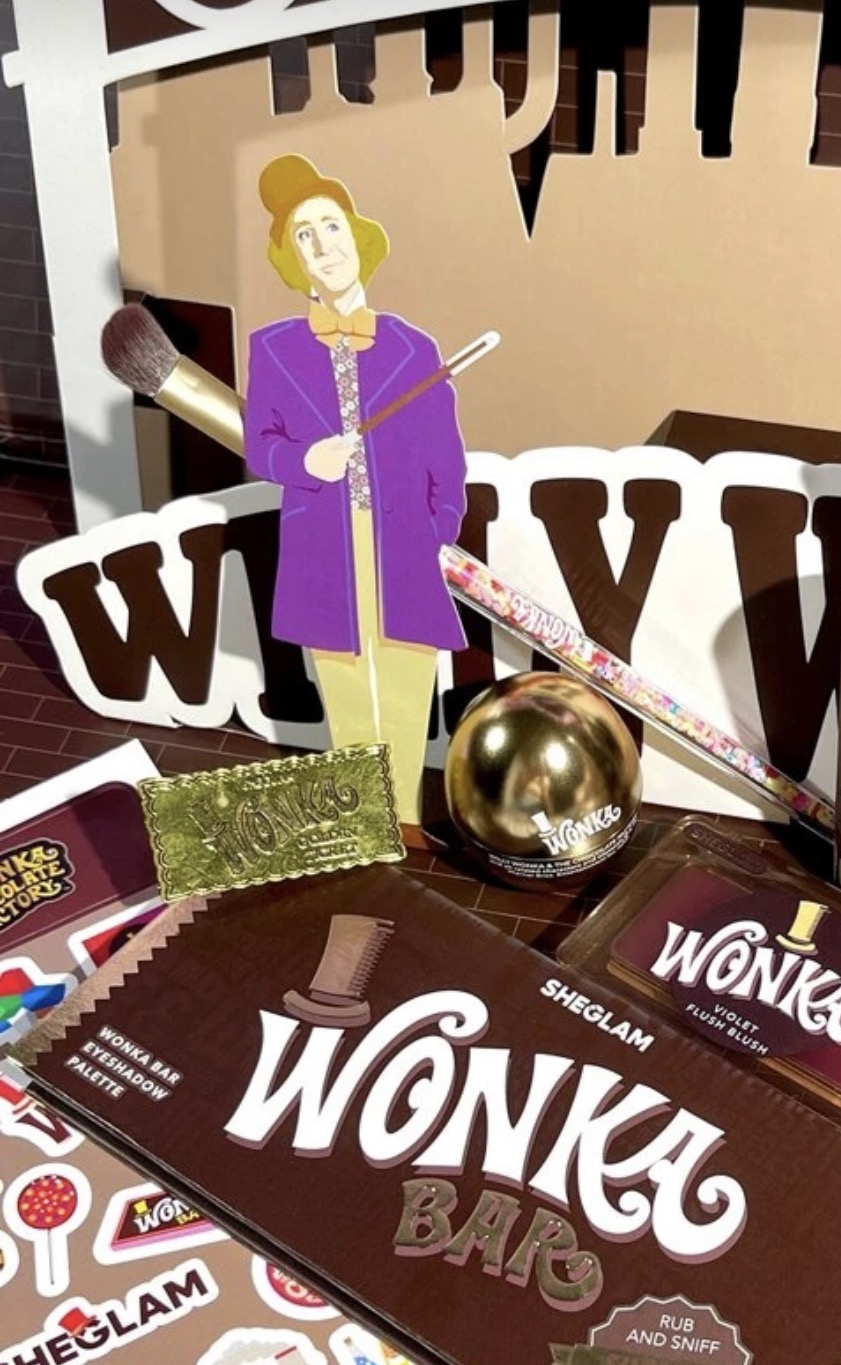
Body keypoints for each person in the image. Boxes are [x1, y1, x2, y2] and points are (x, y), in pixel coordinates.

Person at [245, 154, 468, 848]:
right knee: (346, 692)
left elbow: (446, 456)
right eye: (304, 235)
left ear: (358, 235)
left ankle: (404, 819)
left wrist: (439, 530)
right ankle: (363, 824)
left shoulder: (414, 348)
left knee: (406, 684)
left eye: (331, 226)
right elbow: (260, 447)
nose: (323, 245)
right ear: (292, 259)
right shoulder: (272, 349)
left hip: (405, 547)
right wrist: (304, 462)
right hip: (323, 548)